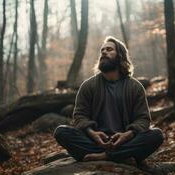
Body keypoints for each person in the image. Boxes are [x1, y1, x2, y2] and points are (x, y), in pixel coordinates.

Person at [53, 36, 163, 164]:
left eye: (109, 49)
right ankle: (121, 156)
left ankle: (104, 156)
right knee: (61, 131)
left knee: (156, 135)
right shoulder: (88, 86)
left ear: (120, 55)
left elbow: (143, 119)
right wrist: (92, 133)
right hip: (95, 142)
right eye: (102, 50)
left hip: (125, 142)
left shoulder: (135, 87)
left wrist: (128, 134)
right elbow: (79, 116)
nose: (104, 52)